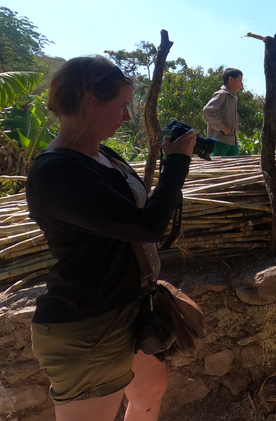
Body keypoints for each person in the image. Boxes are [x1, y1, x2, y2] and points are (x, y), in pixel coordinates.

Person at [25, 56, 195, 421]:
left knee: (150, 390)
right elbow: (146, 226)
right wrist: (177, 164)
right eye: (121, 105)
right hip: (88, 325)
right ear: (89, 99)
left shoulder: (104, 156)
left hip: (126, 309)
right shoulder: (57, 173)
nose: (126, 117)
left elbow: (131, 221)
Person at [203, 67, 243, 156]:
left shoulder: (232, 97)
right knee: (218, 169)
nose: (241, 84)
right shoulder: (222, 94)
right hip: (220, 142)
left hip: (233, 142)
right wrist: (222, 127)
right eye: (240, 80)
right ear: (231, 79)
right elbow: (207, 111)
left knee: (233, 169)